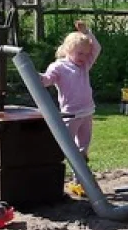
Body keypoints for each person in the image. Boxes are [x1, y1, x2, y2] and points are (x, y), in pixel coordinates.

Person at [40, 20, 101, 158]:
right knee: (67, 144)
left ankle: (80, 172)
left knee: (83, 145)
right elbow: (48, 79)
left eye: (86, 54)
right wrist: (39, 78)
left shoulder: (84, 66)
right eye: (80, 54)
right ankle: (58, 163)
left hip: (87, 112)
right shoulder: (59, 67)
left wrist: (86, 33)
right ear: (68, 49)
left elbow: (96, 49)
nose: (84, 57)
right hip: (71, 113)